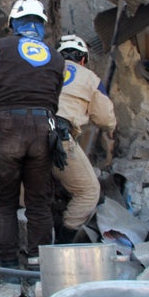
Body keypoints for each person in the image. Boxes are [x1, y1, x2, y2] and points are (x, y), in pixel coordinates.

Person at [0, 0, 66, 279]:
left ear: (13, 23)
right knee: (39, 202)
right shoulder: (57, 57)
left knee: (4, 201)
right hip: (44, 129)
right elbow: (54, 97)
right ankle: (39, 265)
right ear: (42, 25)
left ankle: (9, 265)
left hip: (8, 126)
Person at [53, 34, 117, 244]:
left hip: (28, 131)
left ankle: (29, 251)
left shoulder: (43, 69)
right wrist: (111, 129)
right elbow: (105, 118)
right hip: (60, 136)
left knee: (33, 195)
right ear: (83, 59)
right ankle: (62, 244)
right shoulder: (90, 78)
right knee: (89, 192)